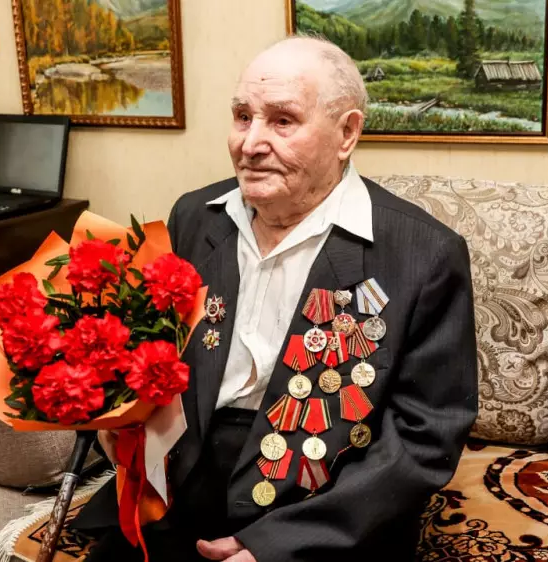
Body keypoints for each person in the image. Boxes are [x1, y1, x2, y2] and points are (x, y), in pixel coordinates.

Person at [74, 36, 478, 562]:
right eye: (243, 117)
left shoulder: (424, 254)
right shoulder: (194, 217)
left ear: (347, 133)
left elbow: (423, 440)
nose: (251, 143)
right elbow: (151, 356)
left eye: (282, 120)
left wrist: (275, 546)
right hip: (177, 491)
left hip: (318, 510)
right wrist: (116, 422)